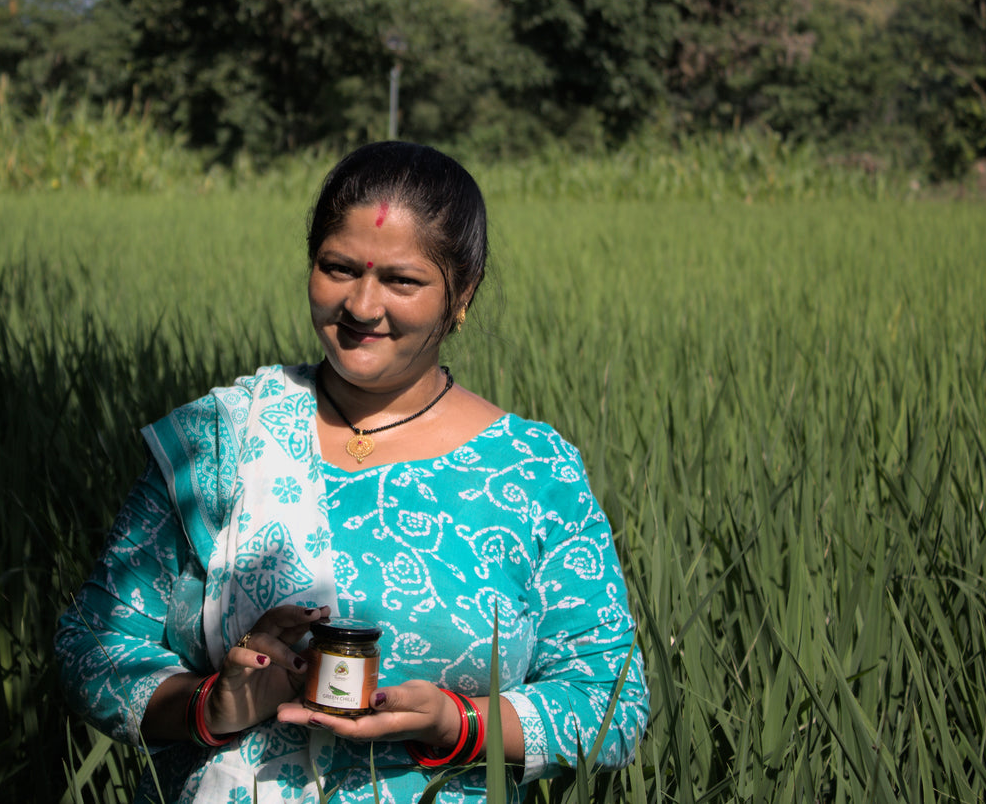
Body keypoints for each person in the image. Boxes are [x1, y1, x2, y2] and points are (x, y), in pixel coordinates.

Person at [55, 141, 649, 803]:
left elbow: (611, 700)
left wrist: (457, 723)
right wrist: (211, 703)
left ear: (462, 293)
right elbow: (92, 647)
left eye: (401, 281)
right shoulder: (223, 439)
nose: (362, 307)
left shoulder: (531, 472)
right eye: (337, 268)